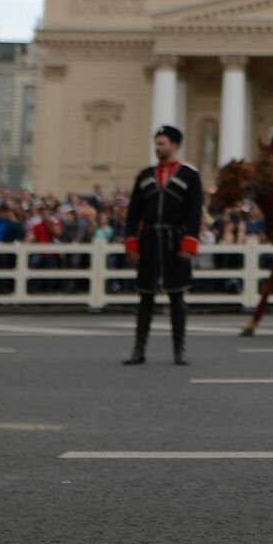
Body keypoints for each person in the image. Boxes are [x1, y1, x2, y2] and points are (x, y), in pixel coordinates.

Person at [123, 125, 203, 366]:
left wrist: (189, 242)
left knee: (177, 297)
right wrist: (131, 242)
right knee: (145, 297)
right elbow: (133, 212)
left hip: (175, 241)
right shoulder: (145, 175)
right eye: (156, 143)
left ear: (175, 146)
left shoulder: (190, 176)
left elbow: (194, 213)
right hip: (149, 241)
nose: (158, 148)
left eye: (163, 143)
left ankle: (179, 350)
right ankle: (139, 350)